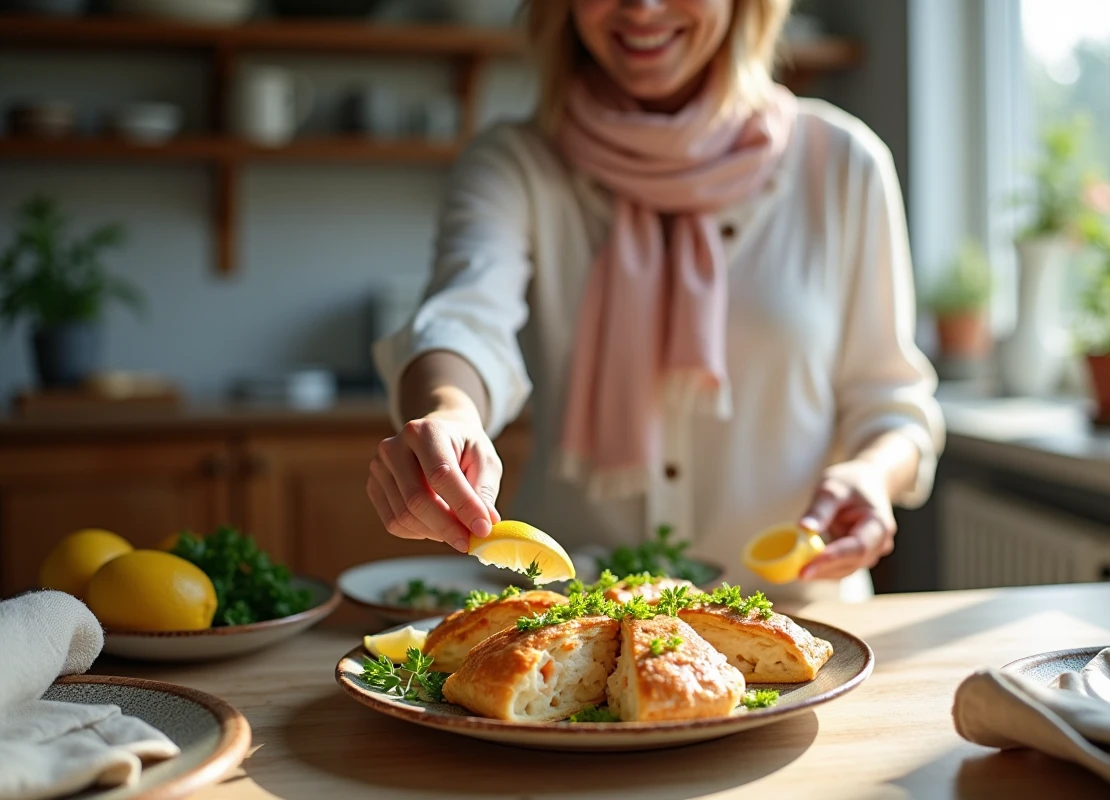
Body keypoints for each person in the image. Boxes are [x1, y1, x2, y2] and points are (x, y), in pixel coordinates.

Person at [367, 0, 944, 602]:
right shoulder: (515, 164)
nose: (641, 7)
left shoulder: (844, 164)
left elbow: (892, 404)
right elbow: (465, 322)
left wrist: (871, 475)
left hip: (799, 623)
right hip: (576, 625)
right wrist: (450, 415)